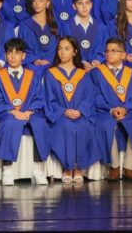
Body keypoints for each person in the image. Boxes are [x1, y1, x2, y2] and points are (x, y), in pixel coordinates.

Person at [92, 38, 132, 180]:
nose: (109, 54)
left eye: (113, 51)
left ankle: (129, 166)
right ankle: (114, 166)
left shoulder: (131, 73)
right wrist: (111, 109)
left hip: (129, 110)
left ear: (123, 55)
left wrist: (125, 109)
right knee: (104, 124)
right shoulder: (97, 72)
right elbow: (95, 96)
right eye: (107, 51)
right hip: (105, 111)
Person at [0, 38, 50, 186]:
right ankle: (7, 169)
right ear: (5, 56)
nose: (12, 56)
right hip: (7, 113)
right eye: (9, 53)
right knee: (9, 122)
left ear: (23, 56)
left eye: (16, 53)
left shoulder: (32, 75)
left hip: (29, 113)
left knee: (39, 123)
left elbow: (38, 98)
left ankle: (37, 169)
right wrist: (13, 111)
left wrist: (29, 111)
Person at [45, 37, 101, 183]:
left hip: (80, 115)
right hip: (60, 116)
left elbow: (89, 98)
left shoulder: (83, 74)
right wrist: (63, 111)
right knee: (66, 125)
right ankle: (68, 167)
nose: (62, 52)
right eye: (59, 48)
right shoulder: (51, 74)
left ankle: (78, 167)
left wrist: (80, 111)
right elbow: (49, 99)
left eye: (67, 48)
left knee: (82, 125)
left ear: (75, 52)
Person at [59, 0, 109, 67]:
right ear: (74, 6)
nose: (84, 7)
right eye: (80, 3)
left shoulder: (100, 26)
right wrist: (80, 62)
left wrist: (97, 60)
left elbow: (104, 47)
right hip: (74, 67)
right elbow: (64, 49)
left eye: (87, 3)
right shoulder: (66, 26)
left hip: (96, 67)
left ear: (91, 5)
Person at [18, 0, 60, 69]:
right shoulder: (24, 25)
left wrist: (50, 60)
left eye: (41, 0)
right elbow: (21, 48)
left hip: (52, 64)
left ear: (47, 3)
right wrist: (33, 59)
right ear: (32, 4)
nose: (37, 3)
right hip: (31, 65)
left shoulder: (56, 25)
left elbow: (60, 47)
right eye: (34, 0)